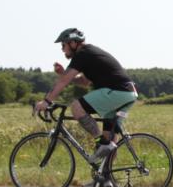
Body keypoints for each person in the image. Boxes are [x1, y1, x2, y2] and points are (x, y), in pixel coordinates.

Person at [34, 28, 138, 172]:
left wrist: (46, 101)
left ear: (72, 43)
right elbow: (84, 82)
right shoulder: (90, 55)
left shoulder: (82, 54)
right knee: (110, 138)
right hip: (128, 94)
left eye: (63, 45)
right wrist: (64, 73)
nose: (62, 50)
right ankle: (106, 177)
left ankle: (101, 143)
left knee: (76, 107)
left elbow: (63, 82)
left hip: (117, 92)